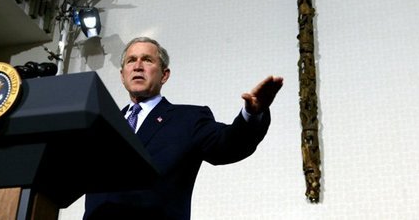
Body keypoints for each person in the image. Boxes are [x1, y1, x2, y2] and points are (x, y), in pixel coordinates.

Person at [84, 37, 283, 220]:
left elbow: (228, 144)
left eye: (147, 60)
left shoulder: (188, 119)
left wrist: (253, 114)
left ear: (164, 75)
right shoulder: (101, 124)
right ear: (122, 75)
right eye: (131, 60)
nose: (137, 66)